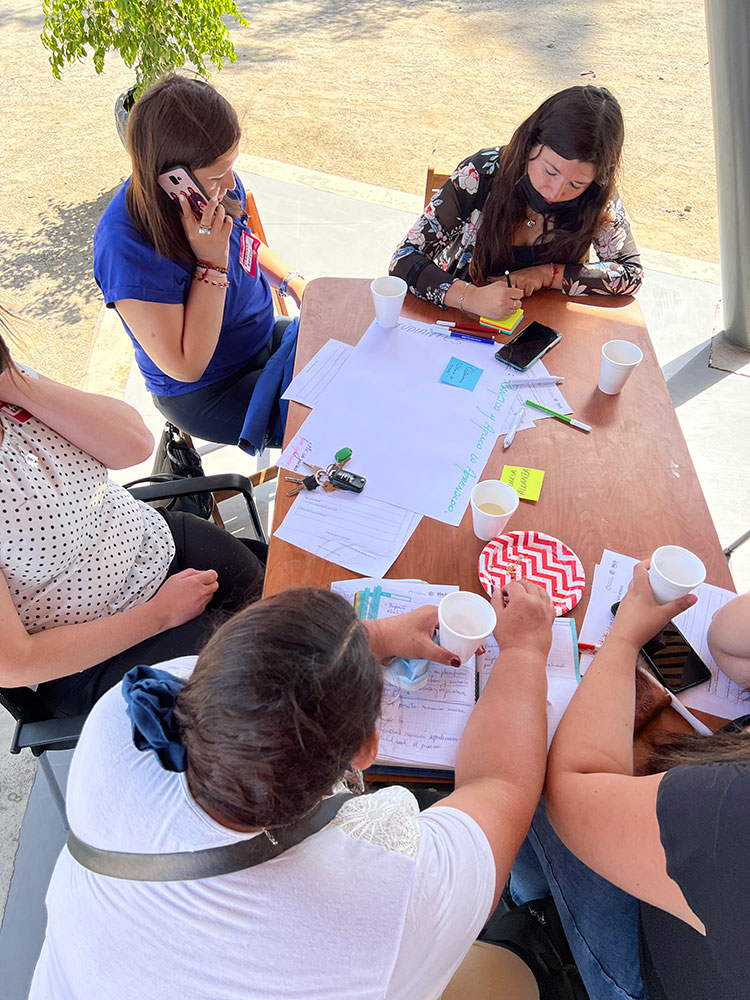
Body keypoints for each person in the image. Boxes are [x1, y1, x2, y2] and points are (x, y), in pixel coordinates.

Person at [30, 582, 555, 1000]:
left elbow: (255, 681)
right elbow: (501, 785)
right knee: (516, 974)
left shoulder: (123, 718)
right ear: (365, 752)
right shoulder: (391, 889)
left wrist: (364, 641)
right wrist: (526, 649)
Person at [0, 316, 265, 719]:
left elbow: (133, 444)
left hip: (155, 541)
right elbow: (15, 662)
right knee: (264, 675)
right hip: (97, 650)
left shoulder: (14, 389)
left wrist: (17, 384)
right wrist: (159, 613)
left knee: (292, 609)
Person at [510, 560, 750, 1000]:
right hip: (703, 917)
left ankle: (532, 911)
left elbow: (576, 786)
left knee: (533, 754)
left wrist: (623, 638)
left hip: (650, 972)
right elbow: (727, 637)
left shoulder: (733, 806)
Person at [93, 74, 306, 449]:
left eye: (231, 166)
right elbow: (186, 365)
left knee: (348, 362)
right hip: (210, 389)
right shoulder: (125, 245)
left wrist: (293, 283)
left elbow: (245, 244)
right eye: (218, 175)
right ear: (172, 178)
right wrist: (211, 263)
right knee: (327, 417)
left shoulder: (213, 189)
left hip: (263, 338)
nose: (231, 183)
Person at [390, 86, 643, 320]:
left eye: (576, 185)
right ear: (530, 144)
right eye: (550, 171)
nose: (556, 192)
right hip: (459, 319)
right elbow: (404, 259)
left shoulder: (597, 197)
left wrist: (547, 275)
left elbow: (631, 273)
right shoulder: (481, 174)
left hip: (545, 326)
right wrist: (471, 297)